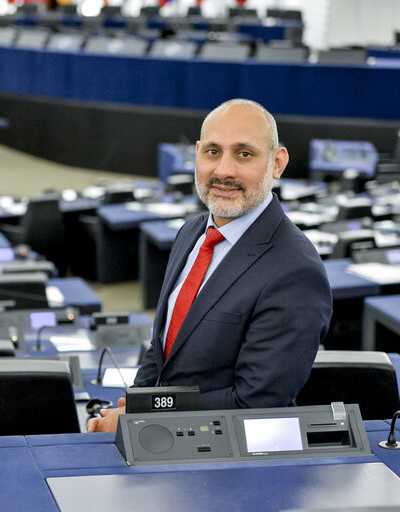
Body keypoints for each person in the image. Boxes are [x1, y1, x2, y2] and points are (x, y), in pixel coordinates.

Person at [88, 98, 332, 432]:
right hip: (158, 443)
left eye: (244, 154)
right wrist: (136, 402)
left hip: (223, 462)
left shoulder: (295, 272)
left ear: (277, 163)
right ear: (197, 154)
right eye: (213, 152)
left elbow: (257, 404)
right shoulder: (192, 232)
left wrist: (141, 418)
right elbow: (162, 347)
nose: (223, 171)